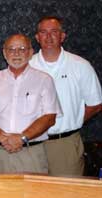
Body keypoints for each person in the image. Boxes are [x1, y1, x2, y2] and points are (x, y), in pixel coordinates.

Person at [0, 34, 61, 174]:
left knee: (34, 195)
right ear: (4, 53)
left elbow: (49, 117)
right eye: (11, 49)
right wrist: (2, 138)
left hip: (31, 152)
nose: (16, 53)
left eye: (22, 49)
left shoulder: (44, 80)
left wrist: (22, 138)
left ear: (31, 52)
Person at [29, 16, 102, 176]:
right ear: (37, 37)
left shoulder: (81, 66)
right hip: (32, 144)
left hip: (65, 144)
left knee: (67, 195)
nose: (48, 36)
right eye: (43, 32)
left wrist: (73, 120)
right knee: (33, 195)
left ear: (62, 36)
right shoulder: (27, 65)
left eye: (54, 32)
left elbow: (96, 104)